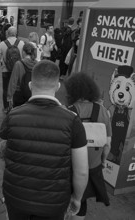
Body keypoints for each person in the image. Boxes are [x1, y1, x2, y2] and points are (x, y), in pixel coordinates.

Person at [0, 60, 89, 220]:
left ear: (31, 85)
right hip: (54, 203)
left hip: (16, 197)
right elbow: (81, 171)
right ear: (58, 86)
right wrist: (76, 198)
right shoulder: (73, 121)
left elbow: (2, 153)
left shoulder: (12, 116)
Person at [65, 73, 111, 220]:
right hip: (93, 166)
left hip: (71, 167)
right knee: (82, 200)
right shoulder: (103, 111)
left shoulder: (68, 111)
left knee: (67, 198)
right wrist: (103, 161)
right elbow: (107, 143)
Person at [0, 26, 24, 113]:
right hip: (18, 70)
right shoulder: (21, 43)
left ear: (7, 33)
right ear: (16, 33)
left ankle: (6, 108)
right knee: (17, 88)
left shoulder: (3, 43)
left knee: (6, 89)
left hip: (6, 70)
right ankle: (15, 107)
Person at [7, 42, 37, 107]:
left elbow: (13, 82)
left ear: (23, 52)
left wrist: (9, 97)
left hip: (19, 95)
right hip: (33, 94)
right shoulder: (37, 64)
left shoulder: (19, 64)